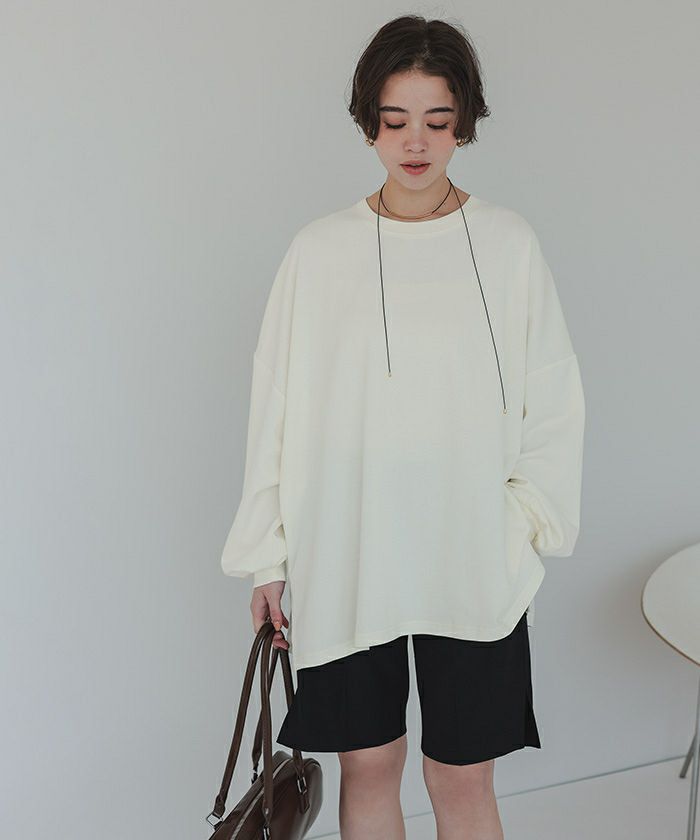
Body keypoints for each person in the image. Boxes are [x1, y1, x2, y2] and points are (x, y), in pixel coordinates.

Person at [220, 14, 585, 840]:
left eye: (438, 120)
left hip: (474, 557)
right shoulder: (319, 252)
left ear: (465, 122)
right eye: (395, 121)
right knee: (370, 766)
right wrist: (267, 557)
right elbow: (274, 407)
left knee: (462, 775)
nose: (416, 142)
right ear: (368, 122)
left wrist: (521, 524)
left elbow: (555, 398)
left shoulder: (508, 245)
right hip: (349, 550)